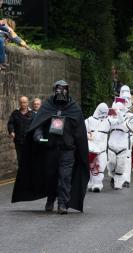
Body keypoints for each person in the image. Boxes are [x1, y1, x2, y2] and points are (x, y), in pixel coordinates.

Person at [12, 80, 89, 214]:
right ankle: (51, 198)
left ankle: (63, 203)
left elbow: (80, 131)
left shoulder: (74, 108)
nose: (61, 93)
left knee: (65, 177)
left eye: (64, 90)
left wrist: (79, 147)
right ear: (54, 90)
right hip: (50, 149)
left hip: (67, 150)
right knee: (51, 176)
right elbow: (38, 124)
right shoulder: (48, 106)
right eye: (59, 90)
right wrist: (38, 136)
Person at [85, 103, 110, 192]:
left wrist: (118, 113)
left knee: (101, 167)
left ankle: (98, 184)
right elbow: (82, 129)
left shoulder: (108, 121)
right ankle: (92, 183)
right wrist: (88, 135)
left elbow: (119, 122)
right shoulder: (89, 120)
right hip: (92, 149)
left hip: (102, 150)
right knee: (91, 167)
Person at [7, 96, 34, 168]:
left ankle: (29, 175)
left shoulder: (32, 113)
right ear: (19, 103)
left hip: (29, 141)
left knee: (29, 159)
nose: (23, 104)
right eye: (21, 102)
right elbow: (10, 123)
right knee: (20, 159)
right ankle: (22, 176)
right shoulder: (15, 113)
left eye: (24, 102)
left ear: (28, 103)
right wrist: (11, 131)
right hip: (18, 141)